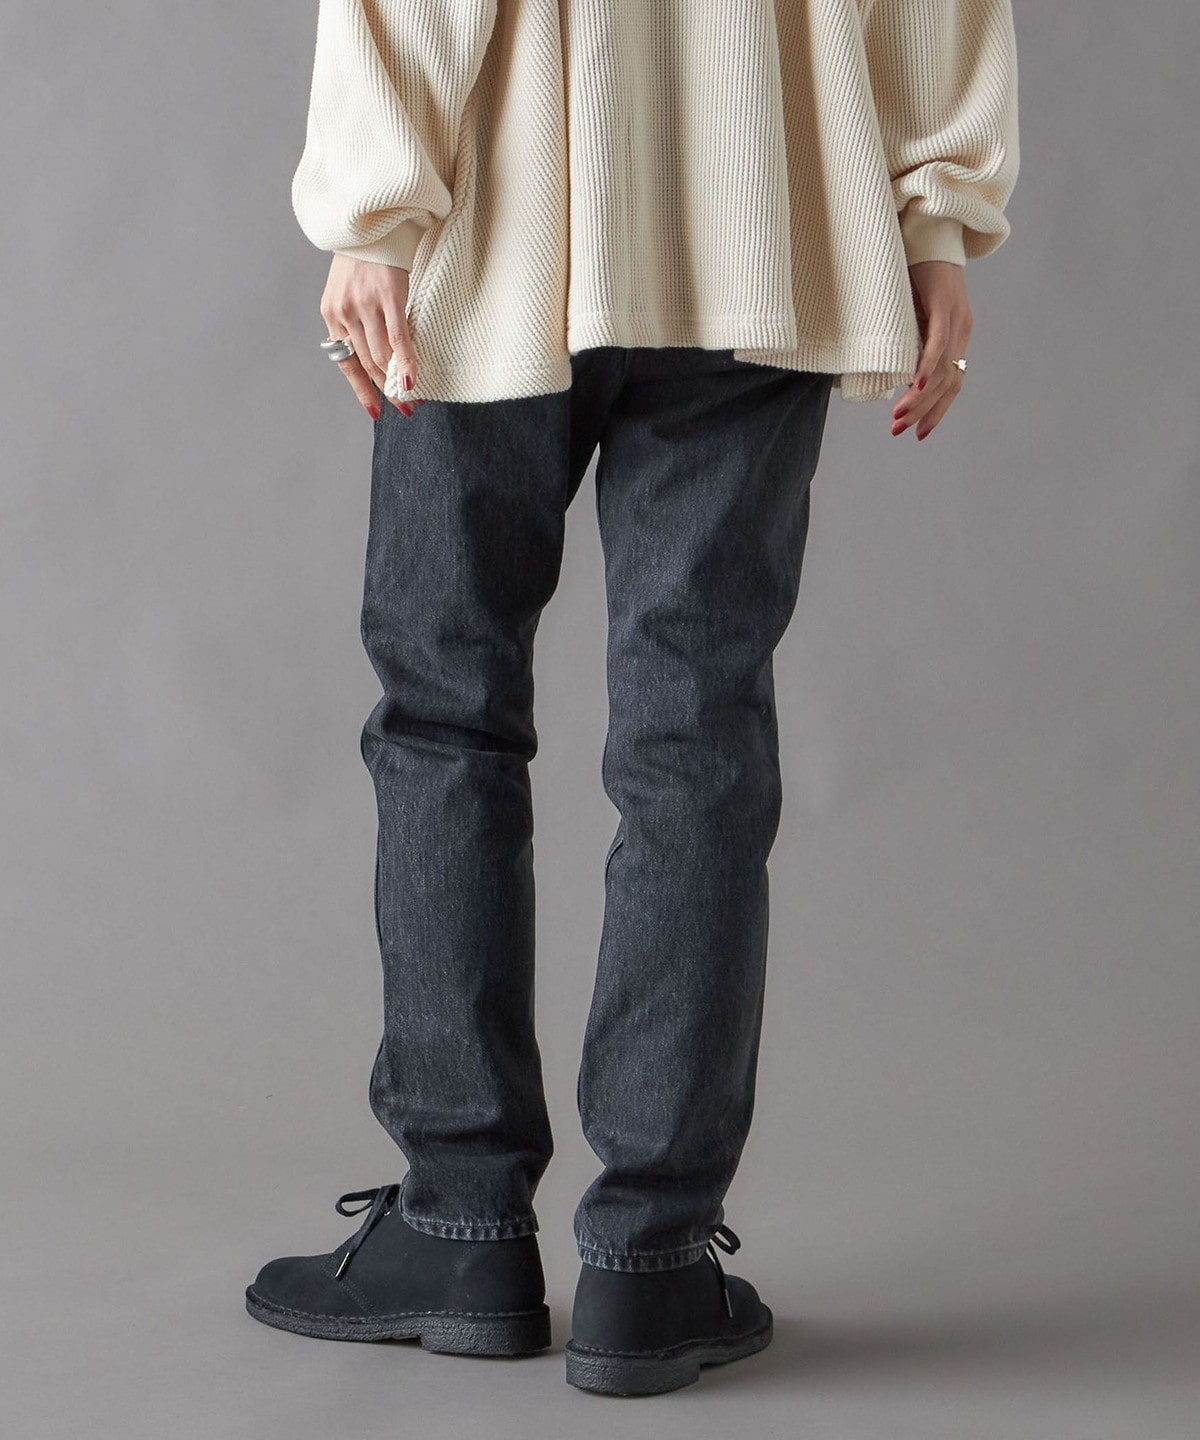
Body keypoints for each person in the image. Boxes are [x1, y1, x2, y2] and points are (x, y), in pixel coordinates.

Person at [245, 0, 1020, 1397]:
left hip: (503, 222)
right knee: (697, 740)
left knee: (447, 715)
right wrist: (934, 225)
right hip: (763, 220)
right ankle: (651, 1263)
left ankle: (461, 1227)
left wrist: (372, 210)